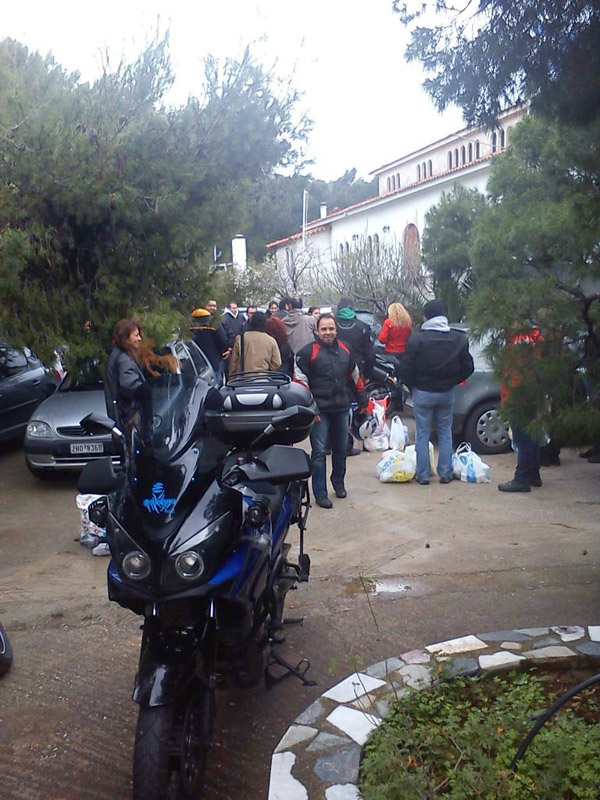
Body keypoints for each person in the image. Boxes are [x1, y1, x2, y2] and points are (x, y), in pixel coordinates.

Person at [295, 314, 367, 508]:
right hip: (319, 411)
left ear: (336, 330)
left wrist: (363, 400)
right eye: (324, 329)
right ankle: (320, 493)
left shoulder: (346, 349)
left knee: (341, 449)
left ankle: (339, 484)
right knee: (319, 452)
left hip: (342, 408)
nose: (328, 332)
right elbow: (300, 383)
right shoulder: (306, 353)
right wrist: (311, 409)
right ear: (317, 331)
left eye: (331, 329)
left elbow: (355, 376)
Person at [399, 300, 474, 485]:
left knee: (422, 434)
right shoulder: (458, 339)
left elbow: (405, 368)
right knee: (445, 432)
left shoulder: (417, 339)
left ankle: (423, 475)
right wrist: (452, 381)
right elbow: (468, 367)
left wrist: (412, 386)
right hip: (446, 392)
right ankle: (446, 473)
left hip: (422, 392)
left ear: (426, 317)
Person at [497, 329, 544, 492]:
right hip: (533, 394)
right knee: (532, 436)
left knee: (522, 439)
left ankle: (521, 478)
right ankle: (533, 474)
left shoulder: (518, 341)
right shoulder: (536, 337)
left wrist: (510, 397)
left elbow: (515, 375)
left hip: (518, 397)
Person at [335, 297, 376, 456]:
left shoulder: (330, 325)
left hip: (331, 370)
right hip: (354, 372)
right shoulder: (362, 327)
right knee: (350, 407)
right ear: (352, 308)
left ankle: (329, 444)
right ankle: (345, 445)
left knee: (331, 406)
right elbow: (370, 355)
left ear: (339, 307)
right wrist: (367, 375)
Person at [104, 318, 146, 430]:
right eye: (136, 335)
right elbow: (130, 386)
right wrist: (147, 392)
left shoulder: (116, 354)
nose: (139, 338)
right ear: (125, 338)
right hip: (129, 418)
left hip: (122, 417)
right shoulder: (124, 359)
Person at [229, 311, 282, 375]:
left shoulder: (240, 338)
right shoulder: (271, 341)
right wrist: (268, 370)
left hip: (244, 376)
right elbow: (277, 363)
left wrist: (231, 375)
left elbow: (234, 361)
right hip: (263, 376)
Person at [189, 308, 227, 374]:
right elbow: (223, 340)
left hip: (194, 362)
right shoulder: (214, 324)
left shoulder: (189, 325)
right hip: (213, 359)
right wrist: (222, 352)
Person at [379, 302, 413, 368]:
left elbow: (382, 340)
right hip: (403, 351)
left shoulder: (388, 322)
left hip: (390, 351)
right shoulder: (408, 323)